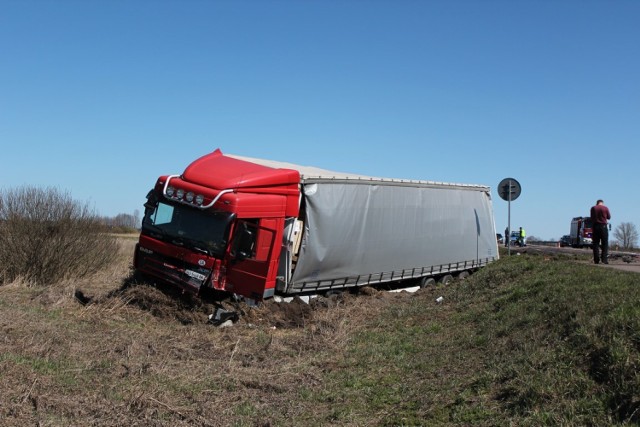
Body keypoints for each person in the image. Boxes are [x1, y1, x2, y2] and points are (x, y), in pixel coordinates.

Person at [590, 199, 611, 264]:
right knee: (605, 243)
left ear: (597, 203)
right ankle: (604, 260)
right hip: (603, 226)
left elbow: (592, 217)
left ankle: (596, 260)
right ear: (602, 203)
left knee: (596, 243)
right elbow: (609, 217)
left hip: (596, 226)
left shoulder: (593, 208)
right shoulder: (605, 208)